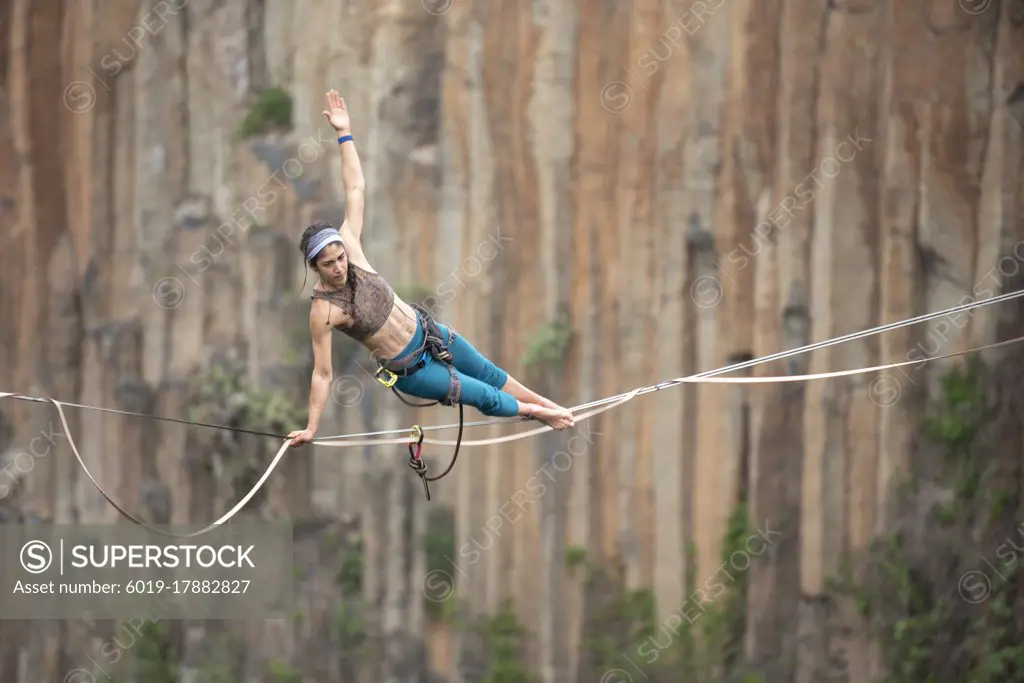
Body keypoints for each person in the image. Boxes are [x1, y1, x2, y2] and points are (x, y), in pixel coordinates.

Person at [287, 90, 576, 447]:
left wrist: (344, 134)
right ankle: (541, 414)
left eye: (340, 258)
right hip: (412, 369)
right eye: (328, 264)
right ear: (314, 267)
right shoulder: (324, 310)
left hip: (431, 334)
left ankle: (553, 408)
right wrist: (312, 426)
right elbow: (322, 373)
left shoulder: (352, 246)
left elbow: (356, 187)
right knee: (481, 396)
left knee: (490, 374)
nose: (339, 267)